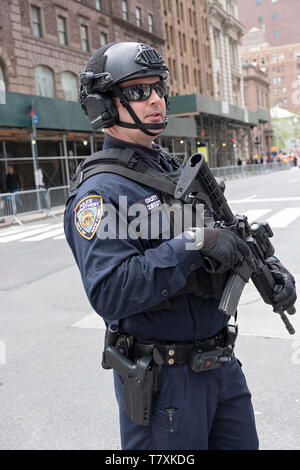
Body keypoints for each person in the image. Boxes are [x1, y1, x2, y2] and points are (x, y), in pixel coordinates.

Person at [64, 42, 296, 450]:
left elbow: (226, 229)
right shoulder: (100, 194)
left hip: (221, 367)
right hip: (165, 386)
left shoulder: (170, 168)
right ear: (104, 106)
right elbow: (110, 290)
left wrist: (267, 265)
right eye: (137, 91)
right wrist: (196, 243)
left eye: (158, 88)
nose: (155, 99)